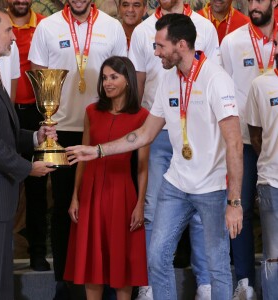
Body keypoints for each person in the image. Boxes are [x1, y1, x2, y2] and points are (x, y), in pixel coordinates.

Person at [66, 13, 244, 300]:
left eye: (161, 46)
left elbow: (235, 143)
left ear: (181, 45)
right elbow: (145, 134)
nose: (156, 52)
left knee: (218, 266)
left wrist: (234, 202)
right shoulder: (168, 80)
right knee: (156, 259)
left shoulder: (216, 79)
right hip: (175, 185)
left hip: (211, 188)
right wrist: (97, 150)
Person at [28, 1, 127, 298]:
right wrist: (46, 123)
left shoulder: (112, 27)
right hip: (60, 130)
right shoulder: (48, 26)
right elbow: (38, 75)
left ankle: (106, 279)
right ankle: (64, 280)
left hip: (101, 126)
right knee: (62, 207)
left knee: (102, 206)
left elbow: (123, 74)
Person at [128, 0, 220, 299]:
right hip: (158, 129)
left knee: (199, 213)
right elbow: (138, 82)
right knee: (153, 208)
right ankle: (150, 284)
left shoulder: (204, 27)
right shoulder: (144, 31)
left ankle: (205, 284)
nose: (158, 52)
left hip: (197, 132)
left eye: (161, 47)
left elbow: (213, 80)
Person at [0, 5, 57, 300]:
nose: (13, 37)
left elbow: (1, 132)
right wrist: (28, 168)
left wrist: (36, 137)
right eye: (8, 30)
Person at [64, 56, 149, 300]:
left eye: (114, 77)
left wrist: (140, 204)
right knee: (92, 261)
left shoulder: (142, 117)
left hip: (122, 193)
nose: (107, 83)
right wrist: (75, 197)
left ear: (129, 80)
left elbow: (143, 166)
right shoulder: (91, 111)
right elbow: (82, 155)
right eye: (104, 78)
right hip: (90, 193)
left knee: (122, 261)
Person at [221, 0, 277, 298]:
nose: (254, 5)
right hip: (242, 141)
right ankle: (244, 281)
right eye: (250, 0)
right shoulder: (232, 42)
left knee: (274, 216)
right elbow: (222, 87)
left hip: (276, 147)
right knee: (237, 207)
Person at [5, 0, 49, 272]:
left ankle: (38, 253)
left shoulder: (44, 24)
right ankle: (2, 251)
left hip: (37, 112)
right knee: (5, 182)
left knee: (37, 186)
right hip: (4, 110)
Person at [245, 34, 278, 300]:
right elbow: (255, 136)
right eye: (276, 43)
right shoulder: (260, 84)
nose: (276, 48)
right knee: (273, 258)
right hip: (272, 182)